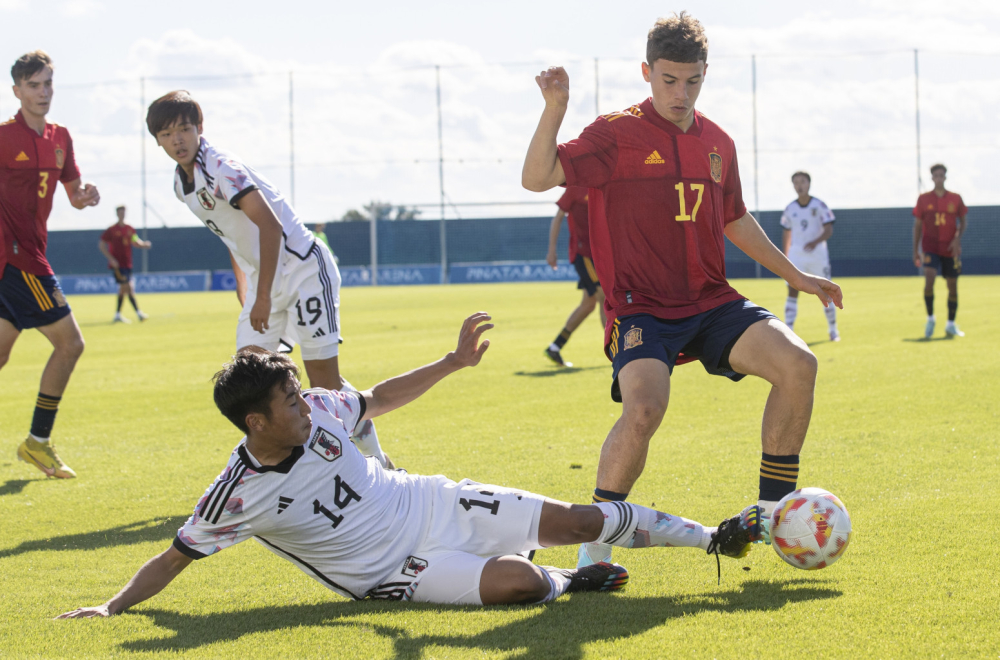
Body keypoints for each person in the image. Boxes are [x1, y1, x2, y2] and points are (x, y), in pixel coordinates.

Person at [56, 313, 761, 617]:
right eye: (289, 400)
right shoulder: (235, 495)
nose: (307, 404)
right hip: (393, 572)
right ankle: (569, 580)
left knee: (577, 516)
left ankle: (711, 539)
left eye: (301, 393)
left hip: (433, 502)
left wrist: (452, 363)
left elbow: (377, 398)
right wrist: (113, 606)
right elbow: (175, 557)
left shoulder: (320, 412)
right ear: (256, 422)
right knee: (520, 586)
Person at [521, 13, 843, 568]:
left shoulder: (718, 142)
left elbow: (735, 218)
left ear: (705, 74)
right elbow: (536, 177)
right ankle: (597, 544)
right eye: (669, 80)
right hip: (641, 305)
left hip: (711, 299)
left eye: (692, 80)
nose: (680, 92)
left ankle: (772, 514)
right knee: (645, 408)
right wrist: (554, 109)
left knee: (799, 364)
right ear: (647, 72)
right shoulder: (615, 132)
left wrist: (796, 276)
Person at [146, 90, 389, 468]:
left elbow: (271, 227)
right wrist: (246, 284)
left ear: (200, 129)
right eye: (166, 133)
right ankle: (285, 466)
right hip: (265, 277)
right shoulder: (182, 185)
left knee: (324, 383)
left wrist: (262, 297)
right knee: (249, 375)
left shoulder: (223, 168)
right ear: (157, 140)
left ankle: (376, 460)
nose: (177, 139)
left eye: (184, 129)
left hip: (304, 270)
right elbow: (229, 231)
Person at [0, 51, 101, 479]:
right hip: (20, 258)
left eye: (47, 85)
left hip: (26, 256)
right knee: (71, 343)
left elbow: (73, 193)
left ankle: (37, 445)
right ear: (17, 91)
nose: (42, 93)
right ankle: (38, 442)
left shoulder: (61, 136)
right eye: (33, 85)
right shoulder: (4, 136)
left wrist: (85, 197)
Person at [543, 186, 605, 367]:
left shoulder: (602, 185)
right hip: (584, 254)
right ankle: (616, 352)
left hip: (599, 255)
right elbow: (558, 217)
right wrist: (552, 250)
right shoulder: (575, 188)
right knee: (604, 297)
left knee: (588, 304)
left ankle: (555, 347)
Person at [780, 172, 839, 341]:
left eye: (802, 182)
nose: (799, 185)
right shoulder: (790, 208)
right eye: (796, 182)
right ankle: (788, 332)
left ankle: (833, 330)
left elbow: (829, 229)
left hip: (817, 254)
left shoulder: (819, 205)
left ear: (809, 184)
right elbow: (786, 232)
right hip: (797, 254)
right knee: (792, 289)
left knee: (827, 290)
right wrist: (785, 255)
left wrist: (815, 241)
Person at [913, 164, 966, 339]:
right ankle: (930, 319)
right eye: (935, 175)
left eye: (941, 175)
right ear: (932, 178)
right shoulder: (923, 199)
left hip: (950, 249)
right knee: (929, 281)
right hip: (930, 247)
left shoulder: (955, 198)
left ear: (945, 177)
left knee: (952, 286)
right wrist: (916, 250)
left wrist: (957, 239)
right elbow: (918, 226)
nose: (939, 178)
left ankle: (950, 324)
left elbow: (963, 221)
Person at [98, 204, 151, 323]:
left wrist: (144, 245)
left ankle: (117, 315)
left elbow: (135, 241)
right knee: (128, 288)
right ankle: (138, 313)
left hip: (127, 263)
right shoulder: (111, 229)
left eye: (124, 212)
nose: (122, 214)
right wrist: (111, 258)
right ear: (117, 214)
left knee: (123, 289)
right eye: (120, 212)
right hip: (117, 265)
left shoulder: (130, 228)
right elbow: (101, 244)